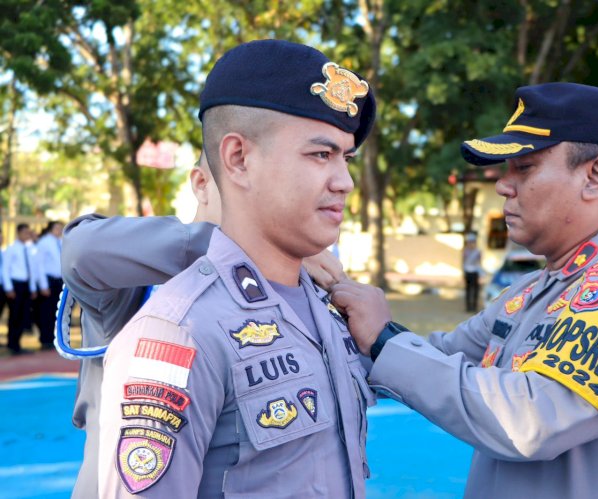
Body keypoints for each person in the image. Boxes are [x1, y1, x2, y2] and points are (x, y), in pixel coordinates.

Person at [332, 82, 598, 498]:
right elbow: (435, 356)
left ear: (596, 176)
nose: (502, 185)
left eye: (525, 167)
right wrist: (332, 296)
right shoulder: (537, 288)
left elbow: (531, 420)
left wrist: (383, 339)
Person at [97, 39, 376, 497]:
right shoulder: (180, 332)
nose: (344, 182)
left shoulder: (328, 308)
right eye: (320, 155)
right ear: (239, 159)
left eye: (346, 158)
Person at [62, 150, 346, 497]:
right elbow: (81, 250)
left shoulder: (291, 280)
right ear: (201, 184)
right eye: (240, 186)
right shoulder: (135, 281)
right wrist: (231, 247)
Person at [3, 223, 49, 354]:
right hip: (16, 284)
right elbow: (6, 269)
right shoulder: (12, 249)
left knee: (24, 315)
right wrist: (8, 288)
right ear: (19, 233)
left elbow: (33, 270)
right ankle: (12, 344)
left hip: (26, 286)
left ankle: (18, 343)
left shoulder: (30, 249)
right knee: (15, 315)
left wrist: (33, 288)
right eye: (26, 233)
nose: (28, 235)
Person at [35, 220, 64, 349]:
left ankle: (54, 338)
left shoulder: (62, 242)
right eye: (57, 228)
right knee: (46, 311)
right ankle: (45, 338)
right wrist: (43, 285)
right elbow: (39, 265)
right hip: (48, 280)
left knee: (58, 311)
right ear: (51, 228)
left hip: (60, 280)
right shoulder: (44, 242)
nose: (60, 230)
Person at [462, 232, 482, 312]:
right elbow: (463, 262)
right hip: (468, 272)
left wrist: (481, 274)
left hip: (475, 272)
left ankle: (474, 306)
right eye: (469, 242)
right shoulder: (465, 251)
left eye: (472, 242)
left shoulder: (477, 252)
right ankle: (468, 307)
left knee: (475, 290)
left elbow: (479, 263)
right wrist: (463, 273)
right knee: (468, 290)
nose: (471, 244)